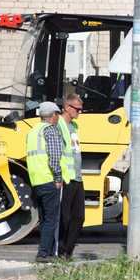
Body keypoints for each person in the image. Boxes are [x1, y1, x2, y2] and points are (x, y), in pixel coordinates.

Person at [26, 102, 69, 264]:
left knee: (44, 219)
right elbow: (54, 157)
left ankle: (48, 253)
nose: (58, 117)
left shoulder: (33, 131)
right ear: (53, 115)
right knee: (51, 219)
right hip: (48, 179)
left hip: (36, 180)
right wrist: (58, 178)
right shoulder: (50, 130)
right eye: (57, 114)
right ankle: (44, 254)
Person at [58, 93, 84, 259]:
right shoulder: (59, 125)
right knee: (63, 217)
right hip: (66, 178)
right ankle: (61, 252)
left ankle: (68, 251)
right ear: (67, 107)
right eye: (77, 109)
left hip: (77, 177)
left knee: (79, 217)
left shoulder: (74, 126)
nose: (80, 113)